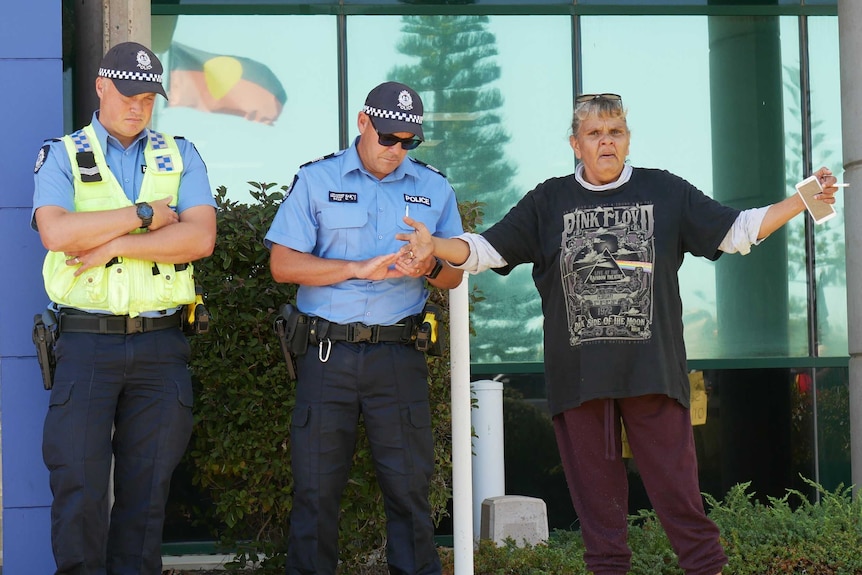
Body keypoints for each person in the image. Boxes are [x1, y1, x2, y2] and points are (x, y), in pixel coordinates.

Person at [398, 93, 841, 575]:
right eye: (594, 133)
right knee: (601, 532)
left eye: (615, 132)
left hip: (653, 378)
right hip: (579, 385)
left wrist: (800, 201)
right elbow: (484, 251)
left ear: (628, 140)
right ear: (575, 143)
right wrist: (434, 244)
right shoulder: (548, 201)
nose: (605, 141)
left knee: (684, 510)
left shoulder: (666, 192)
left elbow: (737, 232)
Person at [32, 41, 217, 574]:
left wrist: (112, 243)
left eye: (149, 97)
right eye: (128, 94)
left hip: (162, 346)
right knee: (80, 489)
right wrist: (143, 214)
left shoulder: (181, 154)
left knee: (148, 493)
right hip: (86, 344)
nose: (138, 106)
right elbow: (57, 231)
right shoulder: (63, 153)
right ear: (100, 86)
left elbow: (199, 239)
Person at [264, 81, 463, 575]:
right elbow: (283, 264)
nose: (397, 150)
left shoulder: (433, 187)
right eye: (388, 137)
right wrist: (354, 269)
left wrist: (429, 266)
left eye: (408, 141)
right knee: (314, 492)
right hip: (327, 353)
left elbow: (455, 274)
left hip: (397, 355)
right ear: (363, 122)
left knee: (410, 491)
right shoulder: (316, 179)